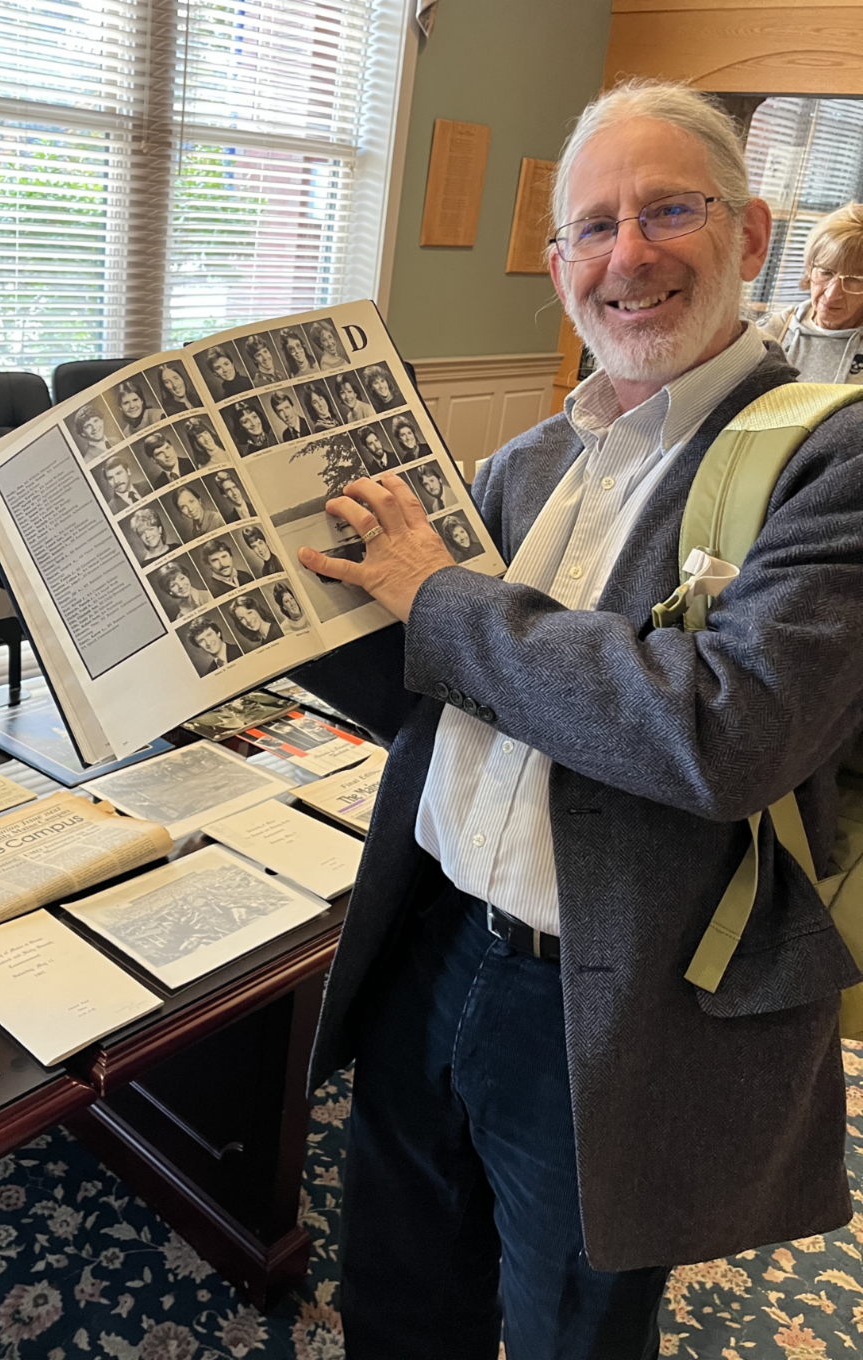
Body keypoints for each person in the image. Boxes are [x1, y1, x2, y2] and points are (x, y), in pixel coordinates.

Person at [290, 79, 863, 1359]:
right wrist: (276, 629)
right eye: (594, 228)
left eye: (670, 210)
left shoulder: (832, 458)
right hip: (431, 945)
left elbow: (724, 731)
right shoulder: (533, 460)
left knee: (568, 1333)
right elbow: (435, 691)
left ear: (754, 235)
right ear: (558, 267)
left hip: (612, 1006)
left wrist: (437, 593)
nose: (630, 255)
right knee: (397, 1292)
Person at [758, 203, 863, 382]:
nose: (831, 294)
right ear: (809, 269)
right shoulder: (771, 332)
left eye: (853, 279)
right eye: (825, 272)